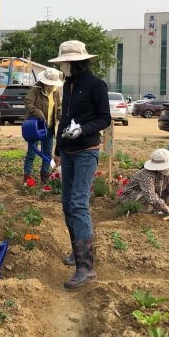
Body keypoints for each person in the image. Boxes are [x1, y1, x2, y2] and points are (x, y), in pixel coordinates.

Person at [49, 40, 111, 289]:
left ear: (76, 63)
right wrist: (58, 149)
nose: (62, 67)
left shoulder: (96, 85)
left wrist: (83, 129)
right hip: (69, 151)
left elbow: (104, 118)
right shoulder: (68, 85)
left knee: (78, 203)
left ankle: (86, 267)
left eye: (65, 63)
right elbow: (64, 118)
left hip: (87, 151)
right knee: (67, 205)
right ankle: (77, 252)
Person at [117, 148, 169, 217]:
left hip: (151, 197)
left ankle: (159, 208)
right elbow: (150, 195)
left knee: (168, 191)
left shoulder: (165, 173)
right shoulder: (146, 174)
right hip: (130, 198)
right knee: (145, 195)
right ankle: (143, 212)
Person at [23, 67, 64, 185]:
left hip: (49, 127)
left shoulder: (55, 92)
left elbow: (58, 107)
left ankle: (44, 176)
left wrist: (62, 117)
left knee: (47, 153)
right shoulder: (35, 90)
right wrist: (37, 112)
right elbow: (27, 102)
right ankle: (27, 177)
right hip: (35, 127)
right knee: (32, 152)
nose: (51, 86)